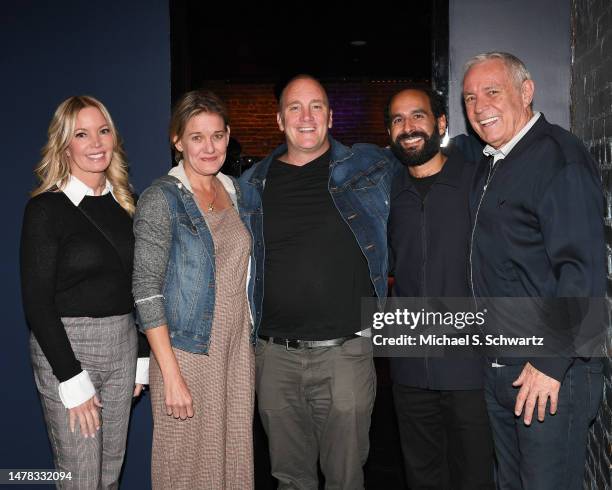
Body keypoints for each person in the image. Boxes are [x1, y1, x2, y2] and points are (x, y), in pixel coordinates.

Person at [239, 74, 398, 489]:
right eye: (295, 107)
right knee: (291, 479)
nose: (305, 117)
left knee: (346, 478)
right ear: (279, 120)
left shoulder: (370, 167)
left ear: (330, 116)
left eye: (316, 106)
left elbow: (427, 164)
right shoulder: (252, 185)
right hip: (275, 357)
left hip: (345, 353)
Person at [463, 52, 605, 489]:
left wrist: (548, 363)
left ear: (526, 92)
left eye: (492, 91)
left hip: (549, 374)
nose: (479, 106)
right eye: (469, 98)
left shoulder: (558, 157)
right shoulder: (493, 162)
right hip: (504, 367)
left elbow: (583, 270)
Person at [20, 95, 148, 489]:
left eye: (103, 130)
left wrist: (140, 356)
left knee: (108, 476)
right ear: (65, 144)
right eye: (82, 134)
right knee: (80, 478)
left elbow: (140, 287)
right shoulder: (46, 209)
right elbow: (37, 303)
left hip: (122, 345)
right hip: (69, 350)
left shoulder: (128, 204)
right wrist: (71, 379)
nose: (96, 142)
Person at [132, 90, 254, 489]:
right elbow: (146, 291)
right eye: (197, 137)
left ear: (228, 136)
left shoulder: (236, 192)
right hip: (187, 353)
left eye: (217, 135)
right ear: (177, 140)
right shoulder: (160, 199)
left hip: (236, 351)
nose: (209, 146)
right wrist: (171, 376)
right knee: (185, 467)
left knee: (232, 460)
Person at [385, 85, 494, 489]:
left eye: (418, 116)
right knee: (423, 476)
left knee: (476, 477)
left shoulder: (476, 183)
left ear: (441, 123)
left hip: (470, 369)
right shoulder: (387, 192)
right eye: (398, 119)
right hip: (410, 367)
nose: (408, 127)